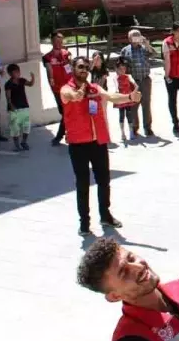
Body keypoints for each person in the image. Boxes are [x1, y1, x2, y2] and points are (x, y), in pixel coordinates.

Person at [60, 56, 140, 236]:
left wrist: (129, 96)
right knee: (82, 184)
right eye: (80, 66)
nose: (84, 70)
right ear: (73, 68)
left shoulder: (94, 88)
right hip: (78, 144)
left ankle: (105, 215)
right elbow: (68, 96)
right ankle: (84, 223)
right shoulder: (67, 88)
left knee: (104, 181)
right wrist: (76, 95)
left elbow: (111, 96)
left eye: (86, 67)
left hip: (98, 142)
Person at [119, 30, 156, 138]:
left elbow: (154, 54)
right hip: (133, 81)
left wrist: (147, 44)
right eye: (133, 37)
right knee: (133, 105)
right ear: (129, 39)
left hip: (145, 79)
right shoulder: (125, 50)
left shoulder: (144, 48)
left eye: (137, 36)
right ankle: (134, 127)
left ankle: (147, 127)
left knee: (146, 104)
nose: (136, 39)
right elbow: (120, 66)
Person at [43, 32, 74, 145]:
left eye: (61, 41)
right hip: (57, 90)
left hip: (70, 88)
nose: (59, 43)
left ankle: (61, 136)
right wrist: (51, 79)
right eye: (56, 41)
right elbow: (49, 70)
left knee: (67, 112)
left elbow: (72, 67)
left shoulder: (67, 54)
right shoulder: (47, 57)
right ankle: (66, 134)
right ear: (52, 41)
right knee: (64, 113)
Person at [4, 64, 34, 151]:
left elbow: (30, 84)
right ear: (10, 74)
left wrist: (33, 78)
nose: (18, 73)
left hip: (24, 106)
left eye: (18, 71)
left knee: (26, 126)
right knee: (15, 128)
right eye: (15, 72)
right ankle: (17, 145)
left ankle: (24, 142)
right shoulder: (8, 84)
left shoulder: (22, 80)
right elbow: (8, 96)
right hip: (14, 109)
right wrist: (11, 105)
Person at [112, 59, 139, 142]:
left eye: (124, 68)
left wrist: (134, 93)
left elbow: (136, 85)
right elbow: (116, 86)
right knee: (121, 115)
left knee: (129, 115)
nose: (122, 70)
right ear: (116, 69)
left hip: (128, 98)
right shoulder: (116, 77)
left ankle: (131, 132)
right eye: (120, 69)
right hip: (120, 98)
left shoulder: (129, 76)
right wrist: (117, 91)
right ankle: (122, 133)